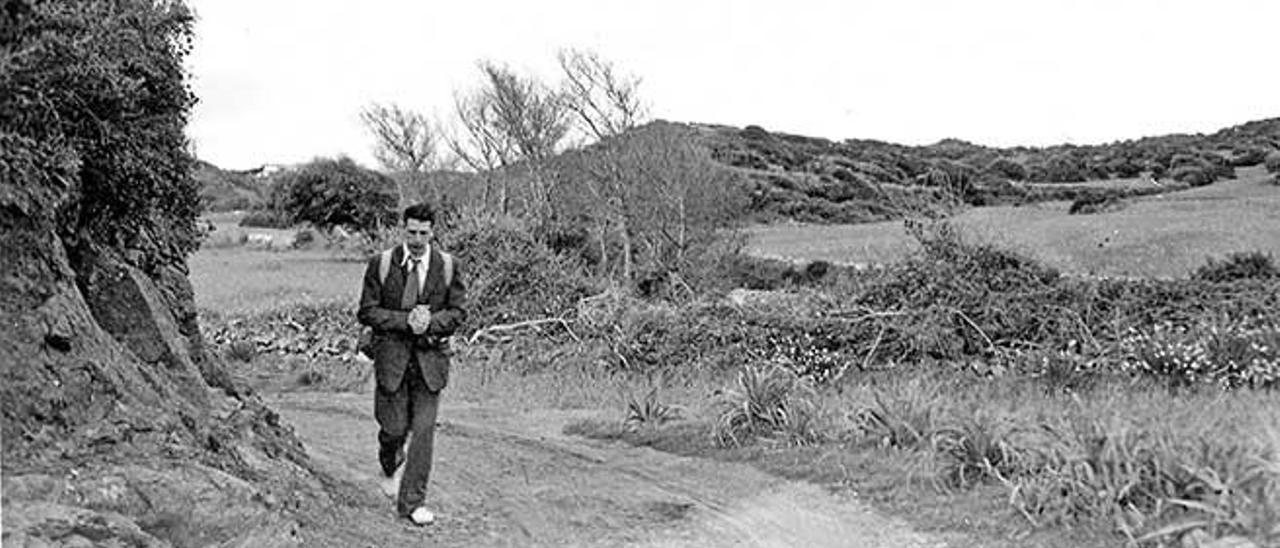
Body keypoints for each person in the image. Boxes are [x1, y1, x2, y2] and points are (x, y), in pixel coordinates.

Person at [356, 202, 467, 526]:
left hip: (431, 361)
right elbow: (367, 311)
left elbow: (458, 312)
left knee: (423, 432)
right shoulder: (382, 264)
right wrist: (406, 321)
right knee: (392, 429)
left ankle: (412, 503)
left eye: (423, 232)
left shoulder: (447, 267)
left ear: (433, 232)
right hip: (391, 359)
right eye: (412, 232)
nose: (417, 239)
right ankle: (389, 462)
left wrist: (430, 322)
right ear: (403, 230)